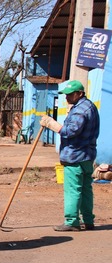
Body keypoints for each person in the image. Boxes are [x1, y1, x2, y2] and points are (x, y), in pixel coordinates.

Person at [40, 80, 99, 231]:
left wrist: (52, 125)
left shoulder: (80, 110)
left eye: (70, 95)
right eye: (66, 95)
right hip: (87, 156)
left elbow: (71, 131)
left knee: (73, 189)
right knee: (86, 189)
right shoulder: (90, 106)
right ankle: (88, 220)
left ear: (79, 94)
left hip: (75, 156)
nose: (67, 98)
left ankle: (72, 221)